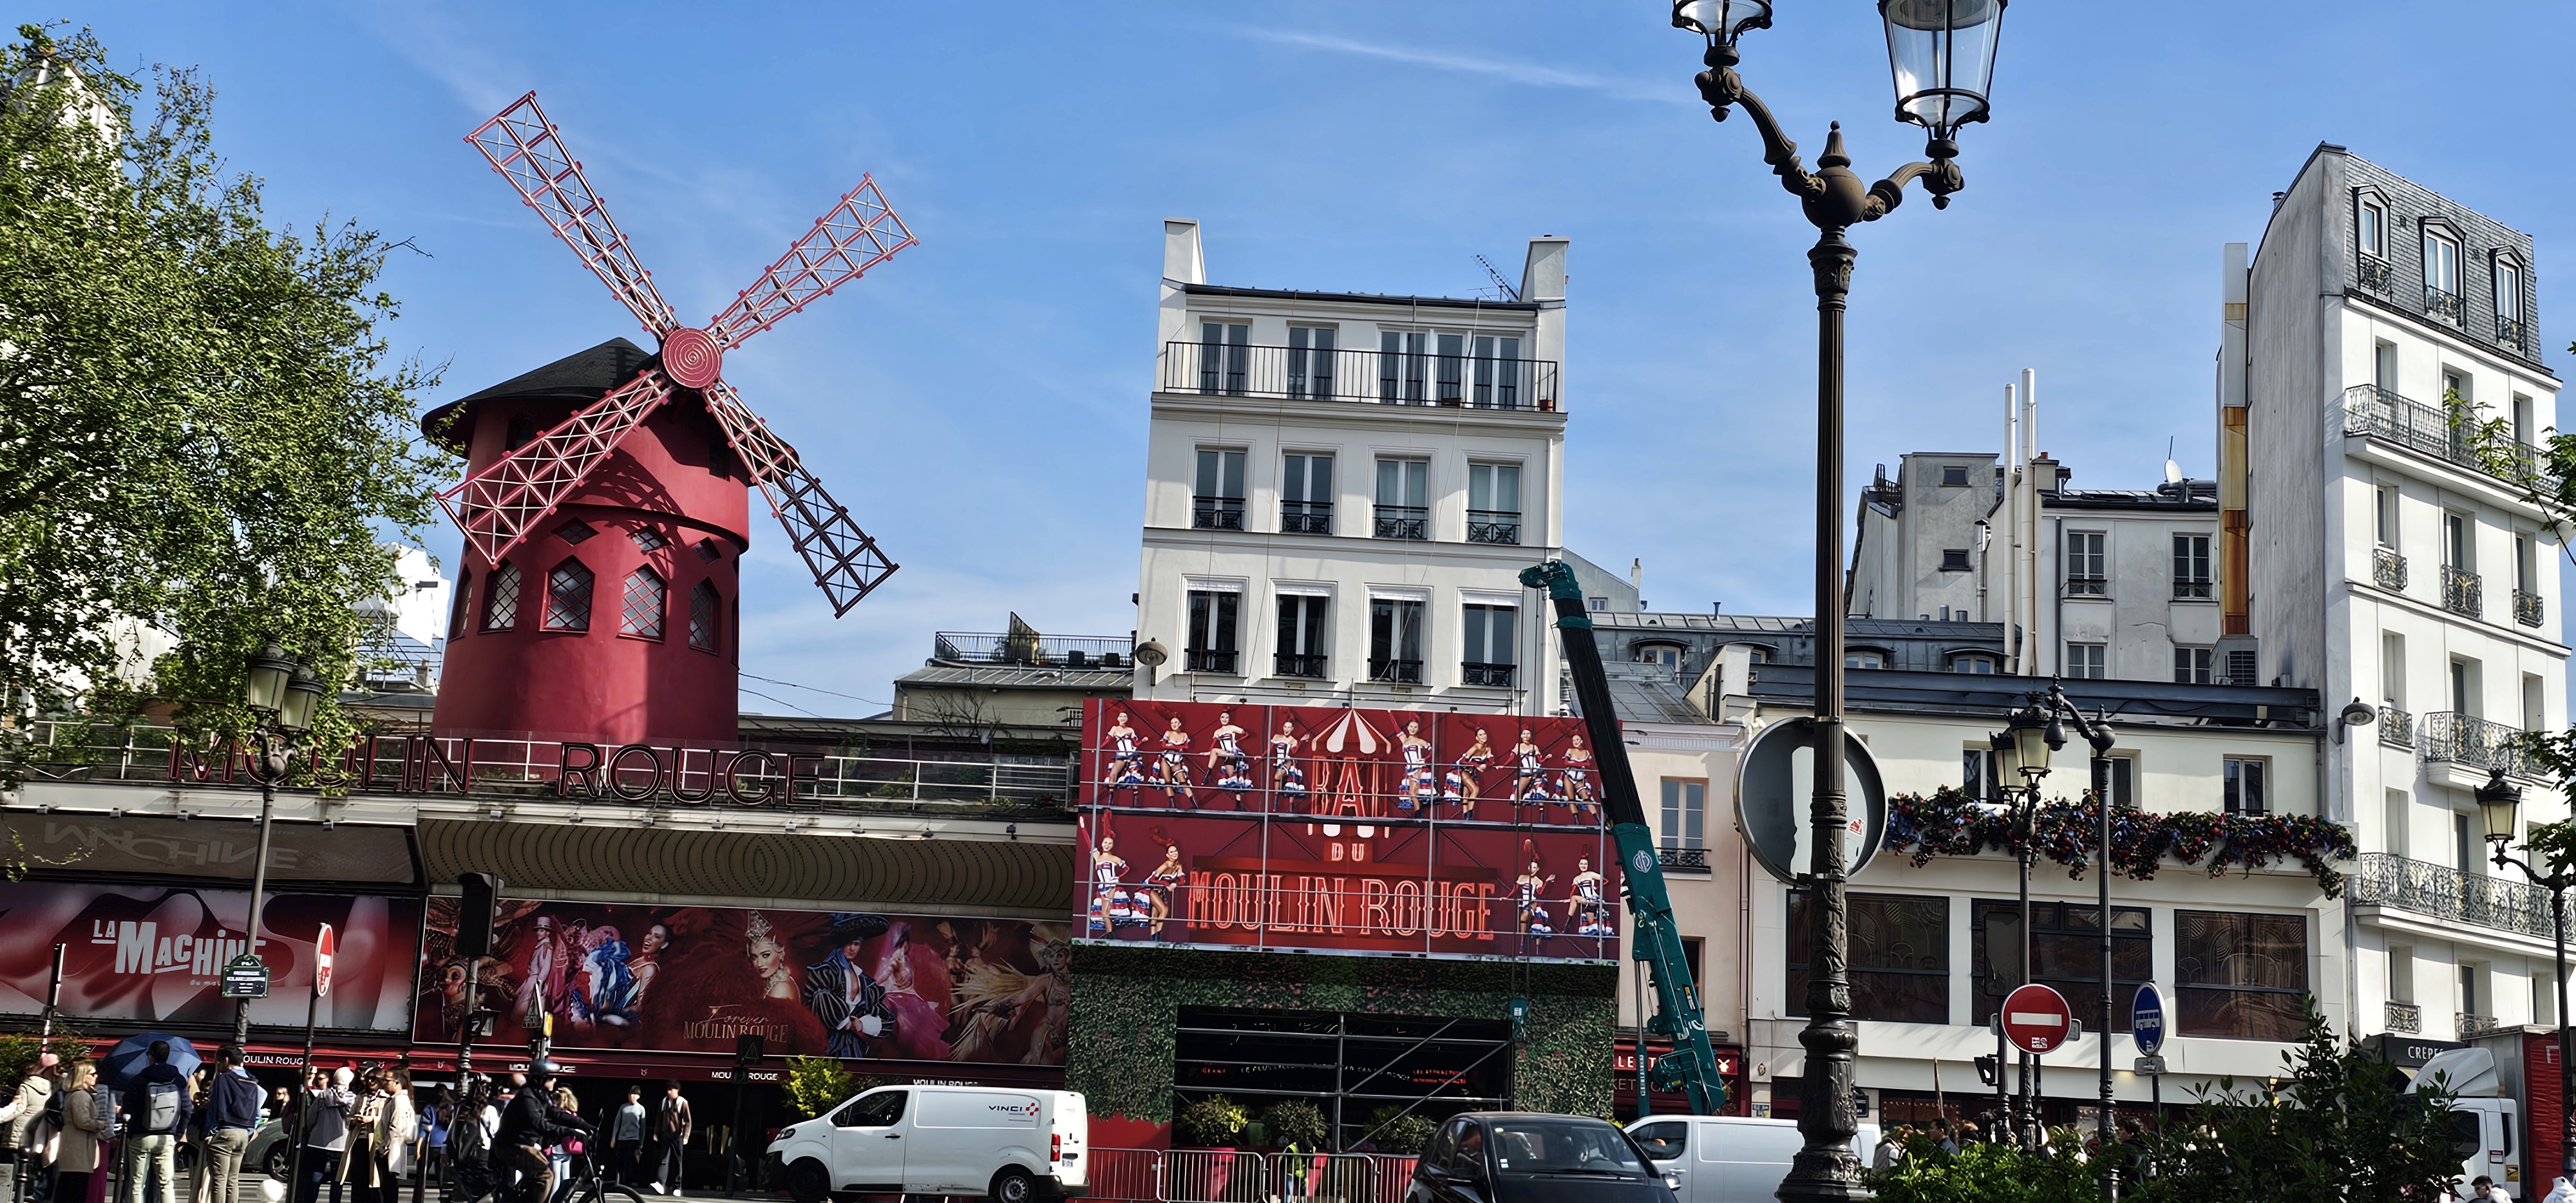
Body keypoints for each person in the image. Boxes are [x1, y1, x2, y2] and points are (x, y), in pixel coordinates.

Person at [492, 1068, 584, 1203]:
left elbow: (556, 1114)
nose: (555, 1080)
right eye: (551, 1078)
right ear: (540, 1080)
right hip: (511, 1146)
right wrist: (570, 1132)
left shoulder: (540, 1095)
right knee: (545, 1176)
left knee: (541, 1172)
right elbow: (539, 1124)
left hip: (522, 1144)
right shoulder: (527, 1097)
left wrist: (583, 1124)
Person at [120, 1042, 192, 1203]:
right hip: (167, 1136)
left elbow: (129, 1108)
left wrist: (130, 1134)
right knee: (166, 1184)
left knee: (137, 1184)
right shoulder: (178, 1079)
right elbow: (187, 1109)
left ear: (150, 1056)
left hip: (141, 1134)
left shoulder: (140, 1079)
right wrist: (178, 1134)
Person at [202, 1047, 262, 1203]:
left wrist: (210, 1133)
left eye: (219, 1061)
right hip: (243, 1133)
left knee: (219, 1180)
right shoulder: (252, 1081)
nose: (219, 1065)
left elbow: (215, 1109)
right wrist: (250, 1131)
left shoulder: (222, 1079)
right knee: (233, 1180)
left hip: (225, 1132)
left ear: (226, 1060)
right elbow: (257, 1113)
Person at [1, 1054, 57, 1203]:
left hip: (19, 1134)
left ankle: (14, 1198)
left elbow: (19, 1109)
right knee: (28, 1171)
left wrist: (7, 1112)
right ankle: (27, 1195)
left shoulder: (25, 1087)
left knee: (13, 1171)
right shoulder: (50, 1089)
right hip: (36, 1133)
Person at [294, 1068, 354, 1203]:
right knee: (337, 1180)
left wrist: (310, 1130)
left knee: (315, 1176)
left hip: (318, 1141)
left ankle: (310, 1201)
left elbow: (311, 1118)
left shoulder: (323, 1095)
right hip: (341, 1144)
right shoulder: (353, 1098)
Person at [53, 1061, 108, 1203]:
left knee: (69, 1187)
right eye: (92, 1074)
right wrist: (99, 1124)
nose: (96, 1076)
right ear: (83, 1076)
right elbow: (82, 1121)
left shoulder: (79, 1094)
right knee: (75, 1189)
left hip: (76, 1146)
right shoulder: (81, 1095)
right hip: (78, 1148)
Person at [647, 1084, 690, 1197]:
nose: (670, 1092)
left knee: (677, 1160)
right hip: (665, 1134)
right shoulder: (664, 1102)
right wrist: (656, 1133)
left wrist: (686, 1136)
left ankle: (677, 1186)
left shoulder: (682, 1103)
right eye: (668, 1089)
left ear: (677, 1091)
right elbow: (659, 1119)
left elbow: (687, 1121)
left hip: (677, 1135)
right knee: (663, 1158)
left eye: (672, 1090)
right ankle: (660, 1183)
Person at [606, 1088, 646, 1186]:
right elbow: (617, 1123)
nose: (632, 1097)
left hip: (634, 1138)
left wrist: (641, 1142)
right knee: (620, 1160)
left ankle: (628, 1182)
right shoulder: (623, 1107)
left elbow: (643, 1127)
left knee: (629, 1160)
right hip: (622, 1138)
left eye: (634, 1095)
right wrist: (614, 1138)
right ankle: (619, 1181)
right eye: (630, 1095)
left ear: (638, 1096)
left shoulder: (641, 1109)